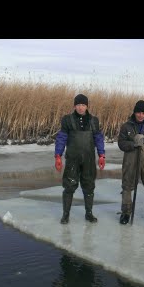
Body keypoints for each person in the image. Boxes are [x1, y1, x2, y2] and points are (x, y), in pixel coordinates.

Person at [54, 93, 105, 224]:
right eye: (78, 105)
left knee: (89, 186)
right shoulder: (67, 120)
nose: (81, 108)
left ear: (87, 106)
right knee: (69, 186)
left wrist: (101, 155)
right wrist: (58, 155)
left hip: (88, 159)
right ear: (74, 106)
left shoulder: (94, 121)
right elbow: (61, 138)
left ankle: (89, 214)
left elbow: (98, 138)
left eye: (83, 105)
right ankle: (65, 215)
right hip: (72, 160)